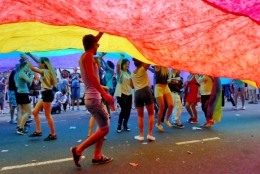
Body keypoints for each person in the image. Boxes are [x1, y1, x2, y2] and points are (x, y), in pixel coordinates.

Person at [70, 32, 114, 169]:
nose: (98, 47)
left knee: (102, 126)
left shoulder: (84, 56)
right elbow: (92, 77)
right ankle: (78, 150)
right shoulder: (89, 56)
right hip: (94, 97)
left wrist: (101, 31)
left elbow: (91, 43)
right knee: (105, 128)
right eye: (97, 44)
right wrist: (104, 94)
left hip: (92, 97)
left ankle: (97, 156)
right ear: (93, 45)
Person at [21, 52, 58, 141]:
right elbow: (38, 61)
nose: (38, 63)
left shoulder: (44, 71)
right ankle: (38, 131)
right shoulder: (47, 70)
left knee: (48, 115)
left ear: (43, 64)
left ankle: (53, 134)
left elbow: (33, 68)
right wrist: (30, 55)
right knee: (35, 112)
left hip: (47, 94)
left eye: (40, 63)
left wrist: (26, 59)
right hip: (46, 94)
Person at [130, 58, 155, 141]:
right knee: (151, 113)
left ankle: (141, 135)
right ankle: (150, 134)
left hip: (137, 93)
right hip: (145, 90)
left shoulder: (132, 74)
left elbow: (132, 86)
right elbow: (149, 61)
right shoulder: (142, 69)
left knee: (140, 115)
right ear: (141, 63)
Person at [114, 54, 132, 133]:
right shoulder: (120, 72)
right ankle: (119, 125)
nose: (127, 65)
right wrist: (121, 57)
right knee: (124, 109)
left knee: (128, 110)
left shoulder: (129, 73)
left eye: (128, 64)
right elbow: (118, 65)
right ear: (122, 64)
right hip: (121, 93)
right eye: (126, 64)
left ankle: (125, 124)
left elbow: (132, 84)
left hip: (129, 93)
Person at [14, 61, 34, 135]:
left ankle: (19, 126)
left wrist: (28, 74)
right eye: (27, 67)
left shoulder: (17, 74)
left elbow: (16, 84)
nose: (28, 68)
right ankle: (21, 128)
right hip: (23, 94)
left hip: (19, 93)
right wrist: (31, 74)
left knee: (21, 111)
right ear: (22, 67)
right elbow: (30, 80)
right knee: (28, 112)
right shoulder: (22, 73)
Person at [154, 66, 174, 132]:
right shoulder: (158, 67)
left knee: (171, 105)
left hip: (166, 87)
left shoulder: (166, 68)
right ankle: (158, 124)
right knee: (162, 107)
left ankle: (166, 120)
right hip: (158, 88)